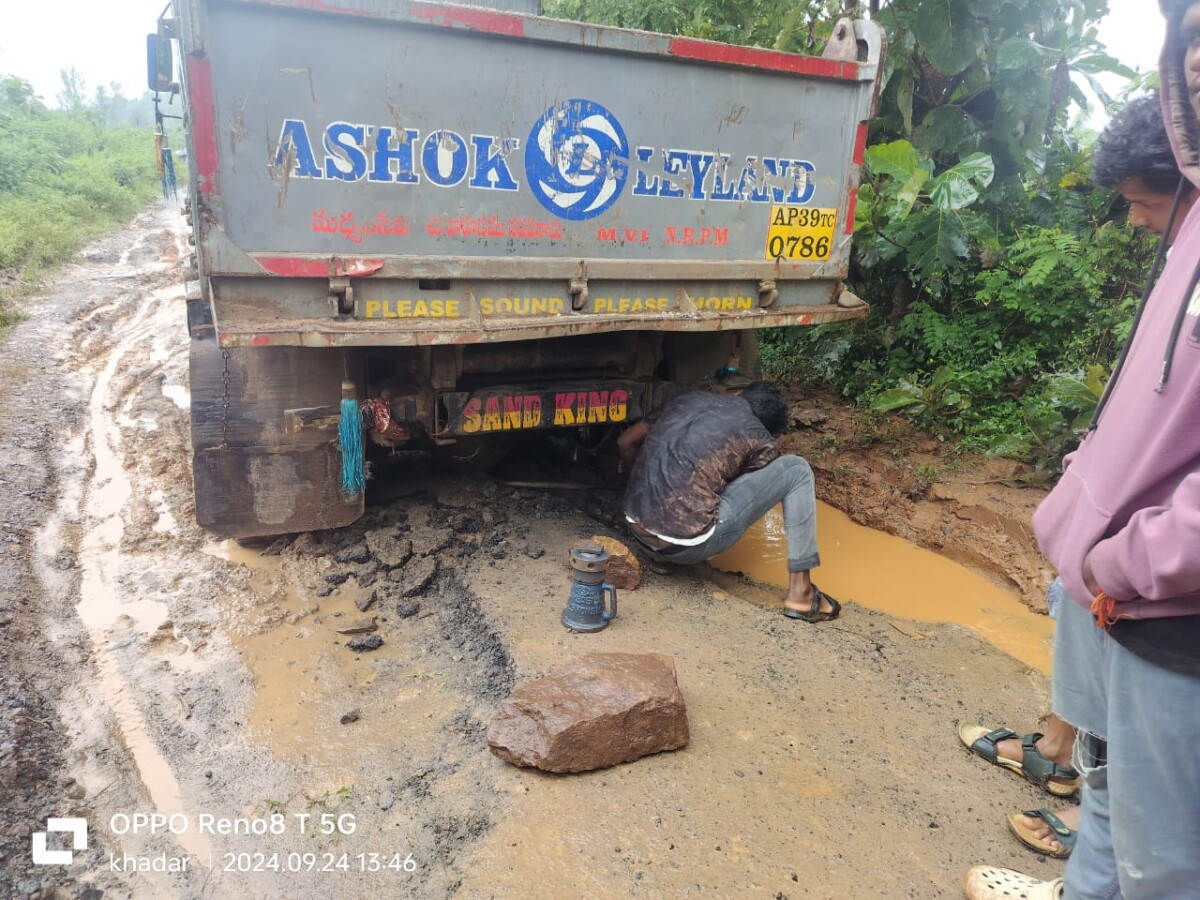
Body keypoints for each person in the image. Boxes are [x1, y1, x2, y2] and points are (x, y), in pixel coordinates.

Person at [964, 4, 1200, 898]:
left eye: (1143, 203)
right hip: (1112, 597)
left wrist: (1122, 558)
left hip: (1168, 620)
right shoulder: (1183, 250)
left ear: (1175, 177)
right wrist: (1074, 507)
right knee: (1104, 806)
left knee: (1163, 863)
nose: (1137, 223)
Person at [618, 381, 838, 622]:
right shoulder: (759, 437)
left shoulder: (687, 398)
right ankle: (802, 594)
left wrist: (652, 497)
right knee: (797, 469)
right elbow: (738, 488)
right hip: (684, 545)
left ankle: (660, 556)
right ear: (771, 429)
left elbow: (626, 442)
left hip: (636, 528)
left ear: (742, 396)